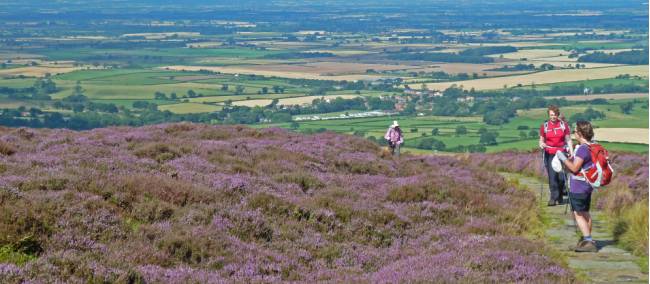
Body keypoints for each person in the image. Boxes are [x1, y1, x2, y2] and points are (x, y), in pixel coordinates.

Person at [555, 121, 597, 252]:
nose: (573, 133)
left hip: (579, 186)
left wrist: (563, 158)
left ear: (580, 133)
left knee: (578, 214)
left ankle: (588, 241)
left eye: (574, 131)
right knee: (585, 212)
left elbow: (574, 168)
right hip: (588, 185)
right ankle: (586, 240)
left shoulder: (583, 149)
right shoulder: (592, 146)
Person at [539, 105, 573, 206]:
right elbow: (541, 140)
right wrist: (541, 144)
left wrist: (571, 151)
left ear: (558, 115)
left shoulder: (563, 125)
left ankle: (560, 196)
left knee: (562, 177)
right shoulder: (544, 126)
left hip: (562, 152)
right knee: (552, 176)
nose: (553, 117)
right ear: (549, 115)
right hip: (550, 152)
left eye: (555, 115)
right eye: (551, 115)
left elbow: (568, 139)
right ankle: (553, 198)